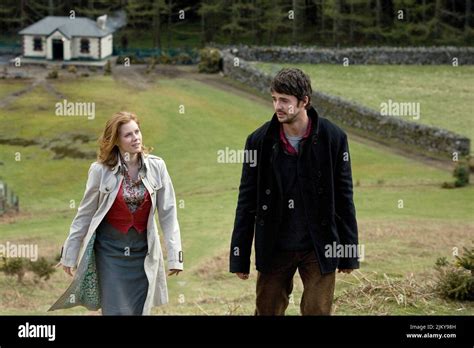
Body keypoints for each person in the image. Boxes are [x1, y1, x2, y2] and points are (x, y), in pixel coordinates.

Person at [229, 68, 359, 315]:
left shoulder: (334, 138)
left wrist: (349, 252)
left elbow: (344, 197)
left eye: (284, 100)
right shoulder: (258, 142)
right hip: (275, 244)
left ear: (304, 102)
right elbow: (246, 201)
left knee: (317, 311)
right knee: (267, 311)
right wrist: (239, 256)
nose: (277, 106)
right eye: (274, 99)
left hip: (319, 244)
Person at [49, 111, 183, 315]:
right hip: (109, 253)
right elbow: (84, 214)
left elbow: (168, 214)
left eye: (137, 132)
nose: (135, 138)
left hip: (143, 254)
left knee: (139, 311)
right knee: (115, 311)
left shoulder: (157, 166)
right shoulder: (100, 170)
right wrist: (70, 253)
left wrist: (175, 257)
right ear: (116, 140)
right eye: (128, 135)